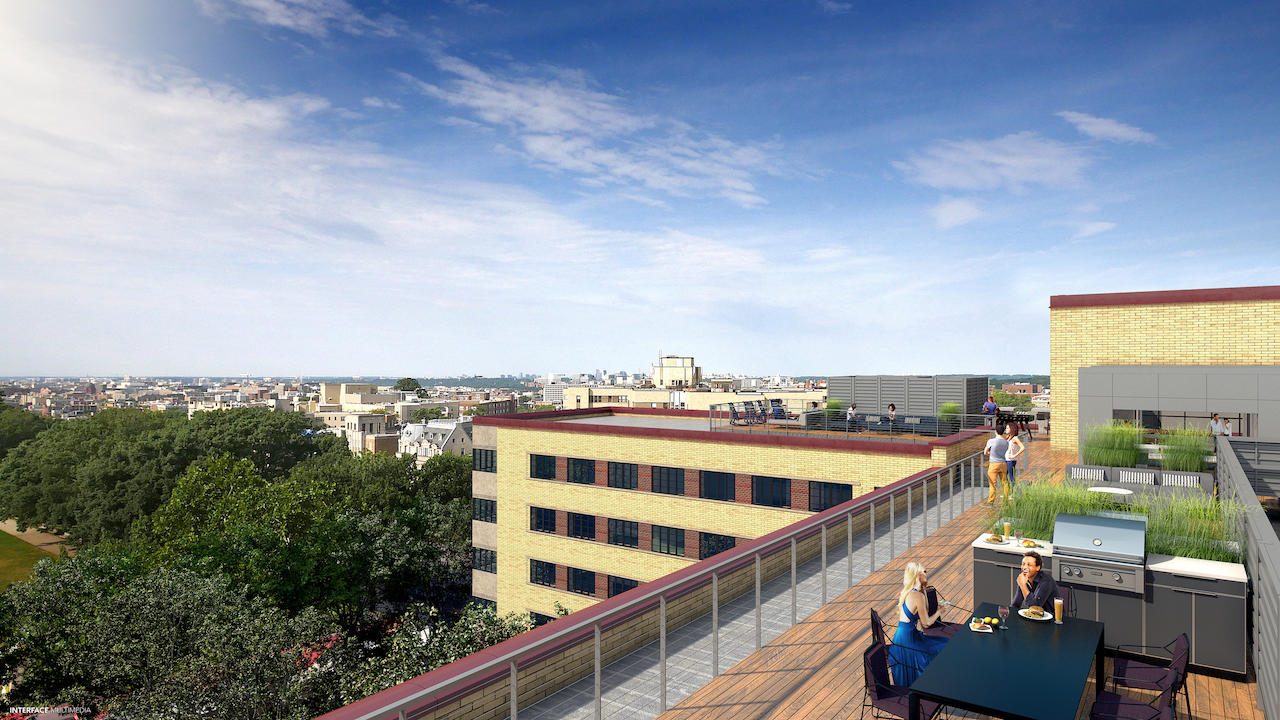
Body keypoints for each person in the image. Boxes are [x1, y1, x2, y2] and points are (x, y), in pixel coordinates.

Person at [888, 562, 950, 686]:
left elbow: (924, 616)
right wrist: (939, 611)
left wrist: (924, 590)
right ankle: (939, 685)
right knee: (943, 646)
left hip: (903, 638)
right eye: (924, 571)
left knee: (942, 643)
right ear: (918, 575)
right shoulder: (917, 595)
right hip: (908, 642)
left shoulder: (912, 592)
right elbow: (926, 624)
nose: (927, 573)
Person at [983, 424, 1009, 505]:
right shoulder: (1006, 442)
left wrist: (990, 453)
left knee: (992, 484)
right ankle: (1006, 501)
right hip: (1003, 464)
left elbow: (985, 452)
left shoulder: (991, 441)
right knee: (1004, 483)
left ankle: (990, 502)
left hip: (994, 464)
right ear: (1003, 432)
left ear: (996, 431)